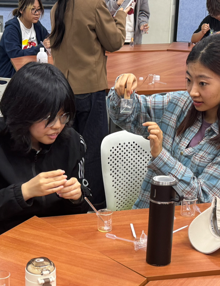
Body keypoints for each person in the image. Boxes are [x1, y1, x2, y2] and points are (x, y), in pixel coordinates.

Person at [108, 34, 220, 208]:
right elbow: (127, 115)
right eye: (188, 80)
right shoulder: (180, 103)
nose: (192, 91)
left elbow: (203, 199)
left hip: (193, 224)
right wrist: (123, 93)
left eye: (202, 83)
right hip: (146, 216)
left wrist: (161, 156)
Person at [0, 63, 91, 249]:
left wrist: (76, 197)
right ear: (23, 111)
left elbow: (82, 209)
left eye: (64, 115)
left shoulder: (73, 142)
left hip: (55, 239)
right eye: (48, 117)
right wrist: (24, 192)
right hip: (1, 244)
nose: (57, 125)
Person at [50, 0, 129, 208]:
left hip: (63, 90)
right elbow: (115, 41)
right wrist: (122, 14)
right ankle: (93, 202)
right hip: (89, 87)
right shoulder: (93, 5)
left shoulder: (57, 7)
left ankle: (68, 198)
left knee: (66, 147)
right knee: (93, 149)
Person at [0, 0, 50, 78]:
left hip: (31, 69)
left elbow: (48, 38)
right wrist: (41, 47)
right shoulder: (11, 29)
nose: (37, 13)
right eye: (33, 9)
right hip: (12, 73)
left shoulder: (36, 25)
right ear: (21, 10)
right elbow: (16, 55)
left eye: (39, 9)